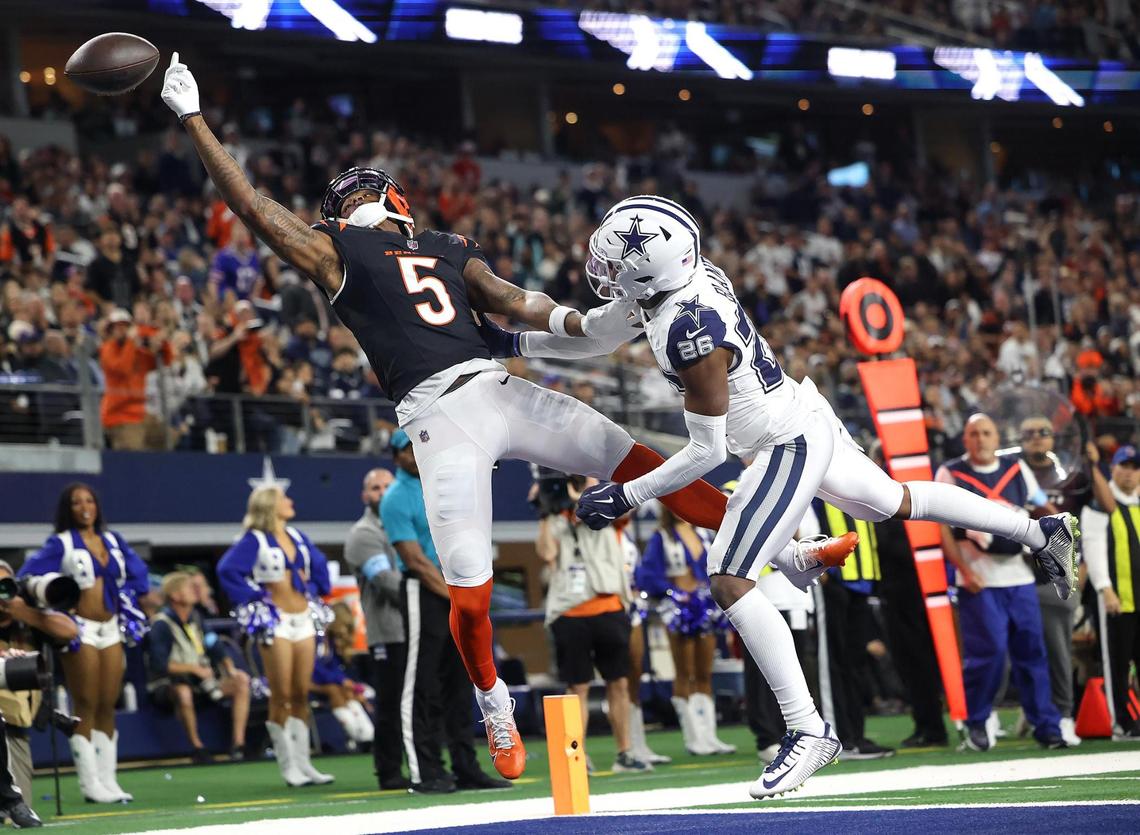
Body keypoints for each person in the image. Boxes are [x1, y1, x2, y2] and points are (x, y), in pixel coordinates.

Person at [162, 57, 736, 781]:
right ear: (391, 198)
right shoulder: (373, 249)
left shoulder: (410, 248)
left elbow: (255, 206)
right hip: (448, 410)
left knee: (598, 480)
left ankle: (765, 542)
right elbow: (521, 301)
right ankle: (492, 698)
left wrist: (194, 118)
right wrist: (192, 117)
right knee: (608, 477)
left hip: (483, 394)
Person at [568, 195, 1079, 798]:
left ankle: (808, 730)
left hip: (784, 440)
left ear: (653, 268)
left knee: (730, 579)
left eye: (618, 258)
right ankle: (1039, 531)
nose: (605, 267)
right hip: (795, 412)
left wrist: (626, 493)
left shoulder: (689, 327)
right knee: (892, 501)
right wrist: (521, 340)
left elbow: (706, 454)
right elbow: (598, 330)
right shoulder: (688, 280)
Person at [381, 429, 510, 793]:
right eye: (406, 449)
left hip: (451, 590)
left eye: (417, 446)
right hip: (422, 593)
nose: (414, 453)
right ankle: (425, 770)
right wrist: (457, 595)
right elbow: (414, 560)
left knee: (460, 681)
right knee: (421, 684)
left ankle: (466, 766)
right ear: (396, 458)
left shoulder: (439, 485)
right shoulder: (394, 498)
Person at [936, 414, 1066, 751]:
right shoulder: (951, 472)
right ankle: (977, 722)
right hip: (980, 580)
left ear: (998, 437)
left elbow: (1043, 508)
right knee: (988, 654)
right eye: (974, 434)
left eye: (986, 433)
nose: (980, 439)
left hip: (1018, 576)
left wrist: (1064, 537)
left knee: (1032, 652)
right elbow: (943, 531)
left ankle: (1047, 726)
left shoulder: (1017, 469)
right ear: (965, 439)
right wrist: (964, 571)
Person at [19, 483, 149, 803]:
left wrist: (127, 597)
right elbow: (27, 576)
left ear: (97, 506)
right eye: (77, 502)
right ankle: (89, 783)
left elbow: (140, 576)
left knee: (109, 701)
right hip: (82, 630)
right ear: (68, 509)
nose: (84, 507)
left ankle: (109, 780)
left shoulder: (113, 541)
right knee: (86, 702)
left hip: (112, 627)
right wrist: (58, 600)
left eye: (89, 500)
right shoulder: (61, 543)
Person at [216, 485, 334, 787]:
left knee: (299, 693)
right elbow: (227, 570)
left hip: (303, 619)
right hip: (276, 622)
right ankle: (287, 765)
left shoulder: (297, 537)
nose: (290, 501)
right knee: (280, 695)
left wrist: (315, 589)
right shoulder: (253, 540)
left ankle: (304, 763)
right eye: (284, 498)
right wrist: (256, 597)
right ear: (270, 504)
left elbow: (319, 567)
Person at [538, 475, 647, 773]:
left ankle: (625, 752)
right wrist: (546, 509)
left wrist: (584, 495)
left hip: (609, 605)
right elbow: (546, 553)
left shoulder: (603, 508)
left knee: (619, 683)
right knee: (577, 687)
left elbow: (626, 509)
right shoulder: (555, 516)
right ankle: (577, 754)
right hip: (570, 611)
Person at [1018, 417, 1113, 746]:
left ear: (1053, 438)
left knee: (1058, 651)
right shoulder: (1012, 474)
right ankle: (1036, 713)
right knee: (1023, 651)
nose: (1035, 438)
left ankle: (1063, 714)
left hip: (1056, 574)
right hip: (1014, 573)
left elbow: (1108, 505)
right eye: (1028, 433)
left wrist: (1093, 465)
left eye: (1042, 432)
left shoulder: (1071, 474)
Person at [637, 507, 734, 757]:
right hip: (679, 608)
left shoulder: (702, 533)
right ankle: (693, 738)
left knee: (704, 672)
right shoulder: (662, 537)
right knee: (685, 672)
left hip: (704, 605)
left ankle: (709, 736)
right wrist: (673, 593)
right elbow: (647, 576)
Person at [343, 467, 409, 789]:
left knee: (421, 702)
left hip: (415, 628)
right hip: (389, 632)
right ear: (364, 495)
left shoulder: (404, 522)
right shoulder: (363, 534)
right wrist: (428, 597)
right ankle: (389, 771)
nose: (381, 492)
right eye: (375, 487)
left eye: (387, 486)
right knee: (391, 703)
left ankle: (423, 765)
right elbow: (386, 582)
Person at [0, 559, 79, 827]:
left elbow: (70, 631)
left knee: (14, 816)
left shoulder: (28, 616)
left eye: (6, 586)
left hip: (16, 732)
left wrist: (25, 613)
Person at [814, 501, 895, 760]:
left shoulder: (854, 474)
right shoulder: (812, 470)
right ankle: (838, 738)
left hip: (862, 578)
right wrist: (819, 569)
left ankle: (855, 735)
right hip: (833, 578)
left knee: (856, 661)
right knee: (833, 663)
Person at [146, 571, 251, 762]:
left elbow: (214, 644)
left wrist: (229, 667)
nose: (195, 590)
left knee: (241, 680)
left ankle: (238, 744)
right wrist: (193, 669)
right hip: (169, 685)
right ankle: (197, 748)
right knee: (183, 692)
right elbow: (159, 664)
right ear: (175, 596)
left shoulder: (196, 618)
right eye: (187, 587)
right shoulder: (161, 624)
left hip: (203, 681)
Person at [1081, 445, 1140, 738]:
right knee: (1116, 663)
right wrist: (1105, 589)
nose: (1129, 472)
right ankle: (1122, 724)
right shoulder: (1099, 505)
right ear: (1112, 469)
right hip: (1116, 599)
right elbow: (1092, 549)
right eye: (1123, 465)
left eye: (1134, 466)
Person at [310, 603, 375, 750]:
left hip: (325, 681)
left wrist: (347, 683)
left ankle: (367, 734)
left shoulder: (331, 643)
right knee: (334, 689)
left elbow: (333, 667)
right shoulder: (315, 640)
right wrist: (340, 680)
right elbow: (313, 667)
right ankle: (354, 733)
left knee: (347, 691)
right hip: (308, 680)